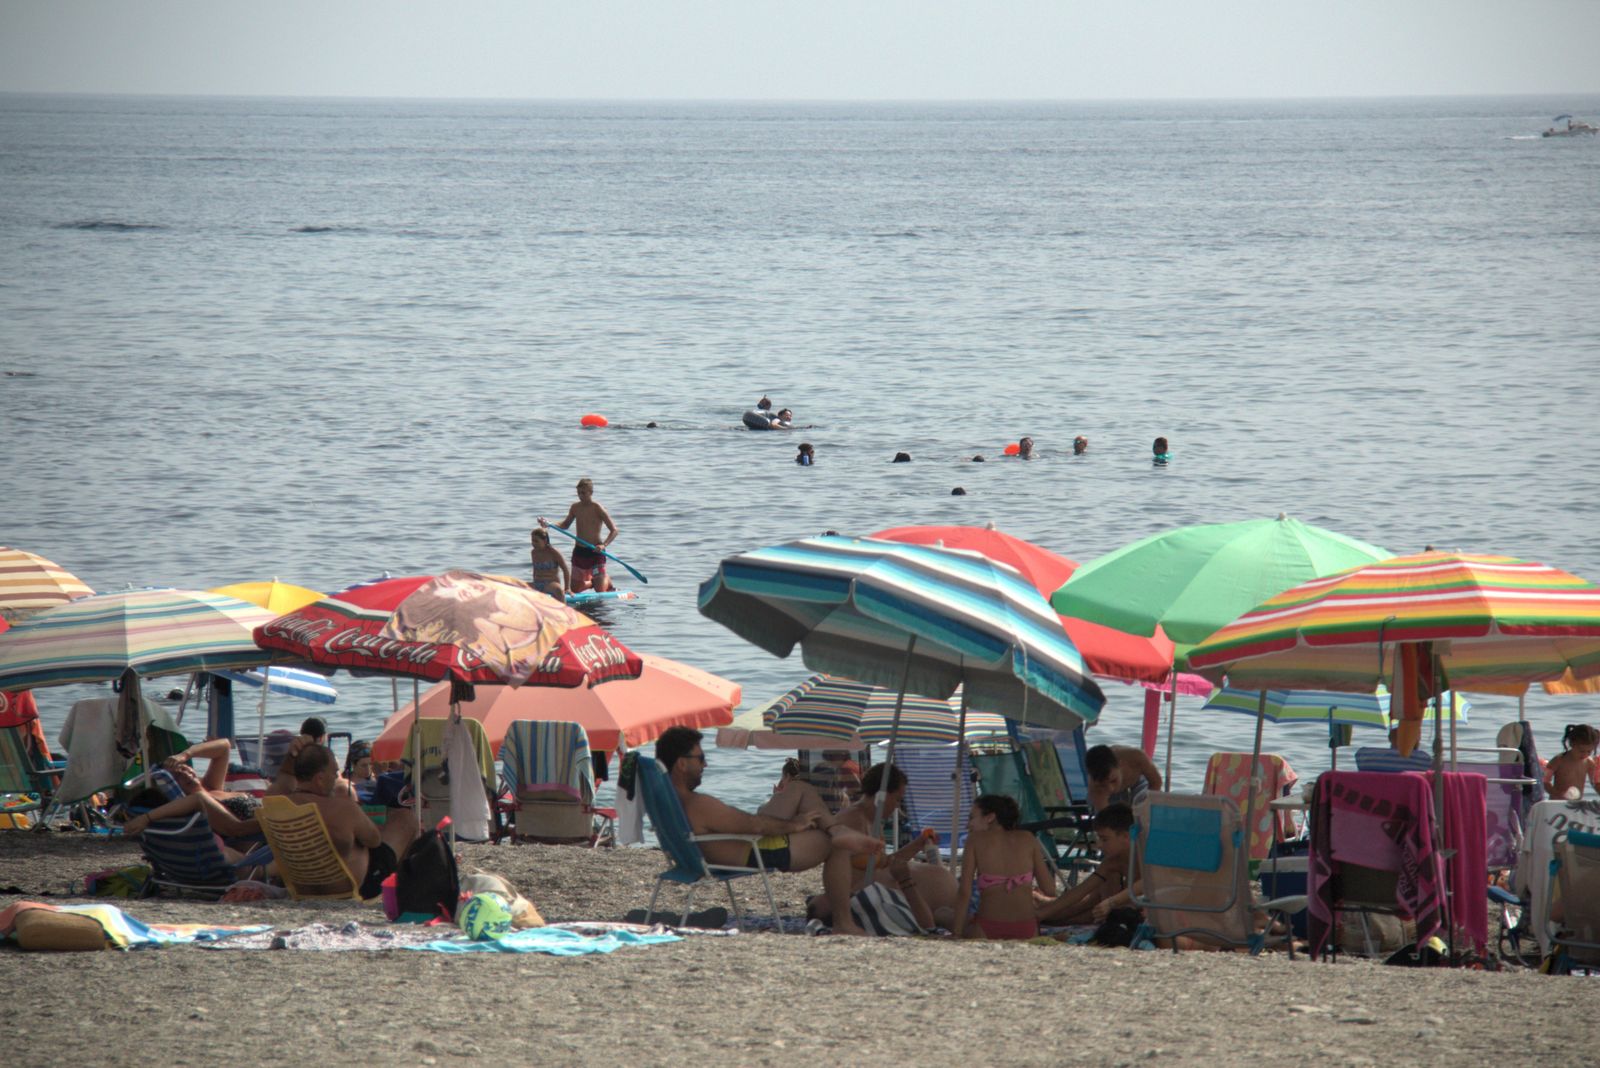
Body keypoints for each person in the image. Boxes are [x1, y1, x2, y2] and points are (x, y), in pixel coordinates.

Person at [656, 726, 883, 935]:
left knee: (799, 788)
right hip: (756, 850)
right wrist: (795, 825)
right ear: (682, 764)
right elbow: (755, 826)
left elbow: (748, 823)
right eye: (701, 758)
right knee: (838, 847)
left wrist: (795, 821)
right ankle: (844, 923)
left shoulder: (666, 801)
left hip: (728, 848)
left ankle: (836, 828)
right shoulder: (698, 804)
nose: (705, 765)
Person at [802, 762, 959, 930]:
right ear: (882, 795)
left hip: (879, 893)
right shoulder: (851, 820)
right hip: (860, 900)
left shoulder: (872, 820)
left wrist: (918, 844)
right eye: (897, 799)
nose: (898, 806)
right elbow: (840, 870)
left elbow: (885, 863)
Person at [270, 740, 418, 899]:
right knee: (407, 819)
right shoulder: (344, 809)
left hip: (302, 886)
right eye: (334, 772)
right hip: (351, 888)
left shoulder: (276, 805)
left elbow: (284, 778)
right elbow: (374, 840)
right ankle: (406, 892)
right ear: (320, 778)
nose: (336, 778)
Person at [953, 794, 1053, 940]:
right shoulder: (1028, 838)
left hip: (988, 927)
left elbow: (964, 892)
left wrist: (956, 934)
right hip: (1026, 928)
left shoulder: (975, 840)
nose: (967, 825)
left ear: (990, 817)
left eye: (971, 818)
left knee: (942, 913)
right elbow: (1049, 889)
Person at [1036, 803, 1134, 927]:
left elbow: (1142, 890)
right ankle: (1048, 913)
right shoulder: (1112, 861)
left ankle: (1053, 914)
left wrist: (1111, 902)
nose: (1099, 845)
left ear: (1126, 836)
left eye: (1104, 839)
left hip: (1137, 911)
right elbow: (1080, 891)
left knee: (1081, 909)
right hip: (1113, 906)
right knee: (1104, 884)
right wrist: (1042, 914)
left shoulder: (1142, 859)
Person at [541, 477, 618, 593]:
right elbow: (565, 524)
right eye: (578, 493)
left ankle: (605, 581)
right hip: (579, 552)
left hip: (595, 552)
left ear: (591, 492)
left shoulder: (597, 508)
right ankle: (593, 582)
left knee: (600, 590)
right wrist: (550, 524)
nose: (580, 496)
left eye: (583, 493)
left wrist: (604, 545)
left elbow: (614, 530)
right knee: (575, 589)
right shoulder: (575, 507)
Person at [1084, 744, 1162, 812]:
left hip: (1137, 783)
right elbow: (1106, 817)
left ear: (1120, 764)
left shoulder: (1137, 757)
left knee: (1151, 800)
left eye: (1113, 780)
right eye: (1103, 785)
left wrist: (1145, 806)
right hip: (1106, 796)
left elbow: (1156, 782)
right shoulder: (1095, 788)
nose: (1111, 788)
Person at [1545, 724, 1598, 800]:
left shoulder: (1589, 762)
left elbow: (1594, 783)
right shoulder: (1558, 760)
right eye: (1581, 751)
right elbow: (1545, 781)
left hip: (1576, 804)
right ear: (1571, 744)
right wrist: (1558, 793)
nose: (1585, 754)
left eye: (1589, 751)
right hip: (1557, 802)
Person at [528, 527, 570, 597]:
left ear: (545, 540)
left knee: (558, 591)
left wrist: (567, 588)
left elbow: (565, 570)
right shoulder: (533, 552)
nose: (533, 543)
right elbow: (535, 570)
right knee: (516, 586)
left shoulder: (554, 553)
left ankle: (562, 606)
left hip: (551, 584)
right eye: (532, 540)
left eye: (536, 541)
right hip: (537, 583)